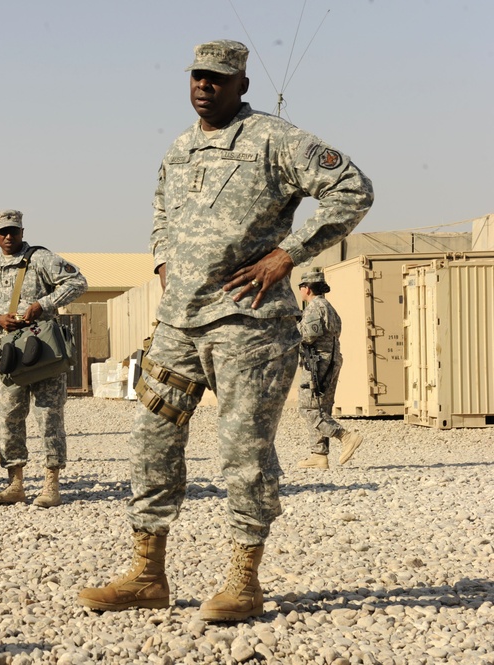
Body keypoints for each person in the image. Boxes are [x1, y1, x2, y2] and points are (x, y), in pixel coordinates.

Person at [78, 40, 373, 622]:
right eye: (197, 76)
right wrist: (163, 261)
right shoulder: (180, 147)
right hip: (177, 327)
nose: (204, 86)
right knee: (151, 446)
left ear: (241, 85)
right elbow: (161, 212)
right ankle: (147, 574)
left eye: (218, 78)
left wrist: (287, 255)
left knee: (243, 453)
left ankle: (244, 580)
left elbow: (353, 190)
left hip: (249, 328)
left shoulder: (274, 139)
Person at [0, 209, 88, 507]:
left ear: (22, 232)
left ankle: (51, 484)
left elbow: (77, 283)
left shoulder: (40, 259)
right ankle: (16, 484)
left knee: (49, 416)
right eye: (3, 232)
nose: (8, 236)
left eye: (13, 231)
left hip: (44, 352)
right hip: (11, 356)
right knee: (9, 418)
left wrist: (44, 303)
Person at [295, 267, 363, 469]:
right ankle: (318, 454)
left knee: (307, 408)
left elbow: (307, 336)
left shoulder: (315, 307)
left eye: (301, 287)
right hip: (330, 361)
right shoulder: (329, 307)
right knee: (321, 407)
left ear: (307, 288)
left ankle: (345, 436)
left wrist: (293, 330)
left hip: (318, 363)